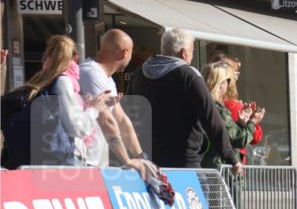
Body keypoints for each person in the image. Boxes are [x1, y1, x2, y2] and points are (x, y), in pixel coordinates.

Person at [127, 28, 241, 173]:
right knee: (197, 195)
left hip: (147, 160)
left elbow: (128, 116)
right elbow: (211, 118)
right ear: (183, 53)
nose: (192, 56)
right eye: (192, 51)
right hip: (184, 161)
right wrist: (230, 157)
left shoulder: (139, 73)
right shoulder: (188, 75)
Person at [1, 35, 113, 168]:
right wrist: (94, 109)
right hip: (59, 166)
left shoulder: (36, 84)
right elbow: (77, 128)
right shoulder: (63, 81)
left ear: (46, 55)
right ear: (75, 58)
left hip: (26, 164)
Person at [77, 29, 156, 178]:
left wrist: (141, 157)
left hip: (96, 161)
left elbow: (121, 119)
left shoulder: (106, 78)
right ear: (125, 52)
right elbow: (106, 120)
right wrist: (127, 160)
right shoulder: (91, 73)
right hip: (85, 161)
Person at [199, 62, 260, 170]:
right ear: (220, 83)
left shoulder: (200, 104)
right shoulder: (218, 109)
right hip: (218, 171)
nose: (228, 84)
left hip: (202, 166)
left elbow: (225, 135)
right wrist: (253, 121)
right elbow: (239, 139)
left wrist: (240, 123)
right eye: (227, 80)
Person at [214, 55, 265, 164]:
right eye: (236, 74)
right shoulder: (232, 106)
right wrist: (253, 121)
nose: (237, 78)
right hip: (231, 166)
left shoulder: (206, 101)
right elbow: (254, 137)